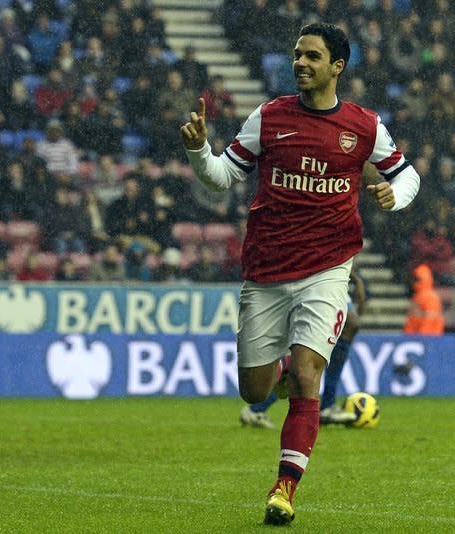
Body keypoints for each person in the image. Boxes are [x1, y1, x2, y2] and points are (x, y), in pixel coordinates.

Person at [180, 23, 420, 526]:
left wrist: (393, 196)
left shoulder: (365, 126)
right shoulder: (269, 118)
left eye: (312, 56)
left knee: (310, 374)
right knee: (255, 390)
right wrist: (200, 150)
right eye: (297, 54)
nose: (301, 63)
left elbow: (407, 174)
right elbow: (224, 176)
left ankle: (284, 488)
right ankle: (280, 374)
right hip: (266, 269)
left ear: (337, 67)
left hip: (328, 268)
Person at [240, 265, 368, 428]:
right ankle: (326, 404)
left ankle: (258, 408)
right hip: (312, 271)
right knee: (344, 326)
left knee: (343, 329)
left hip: (324, 272)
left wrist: (355, 279)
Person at [402, 263, 445, 335]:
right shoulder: (418, 296)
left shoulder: (430, 297)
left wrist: (422, 338)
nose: (413, 282)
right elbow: (412, 320)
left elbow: (430, 320)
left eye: (416, 279)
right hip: (416, 338)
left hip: (427, 340)